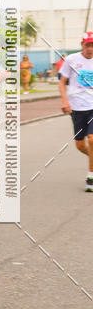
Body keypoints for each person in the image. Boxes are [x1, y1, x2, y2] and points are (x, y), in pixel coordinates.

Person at [58, 31, 93, 192]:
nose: (90, 48)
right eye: (87, 45)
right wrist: (65, 101)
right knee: (80, 145)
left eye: (92, 45)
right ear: (82, 45)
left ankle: (90, 177)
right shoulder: (71, 60)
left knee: (92, 139)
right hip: (77, 107)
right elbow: (62, 82)